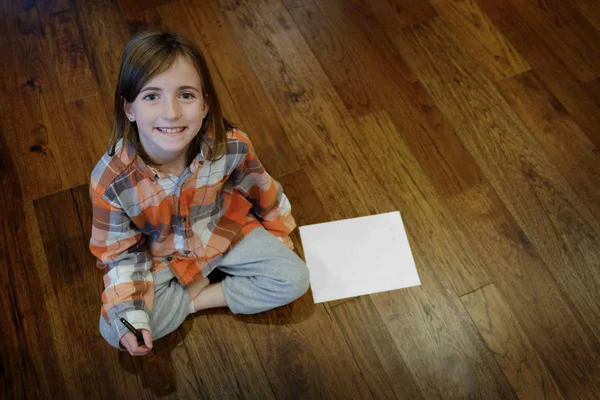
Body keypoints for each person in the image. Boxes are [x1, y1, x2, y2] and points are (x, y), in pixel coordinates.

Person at [89, 30, 310, 356]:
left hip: (223, 232)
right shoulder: (110, 181)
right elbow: (119, 253)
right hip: (161, 257)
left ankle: (194, 299)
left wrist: (279, 236)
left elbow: (262, 190)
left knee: (294, 278)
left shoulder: (231, 145)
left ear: (206, 104)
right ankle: (197, 288)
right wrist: (134, 313)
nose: (171, 113)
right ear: (129, 109)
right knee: (116, 330)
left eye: (186, 95)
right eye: (152, 96)